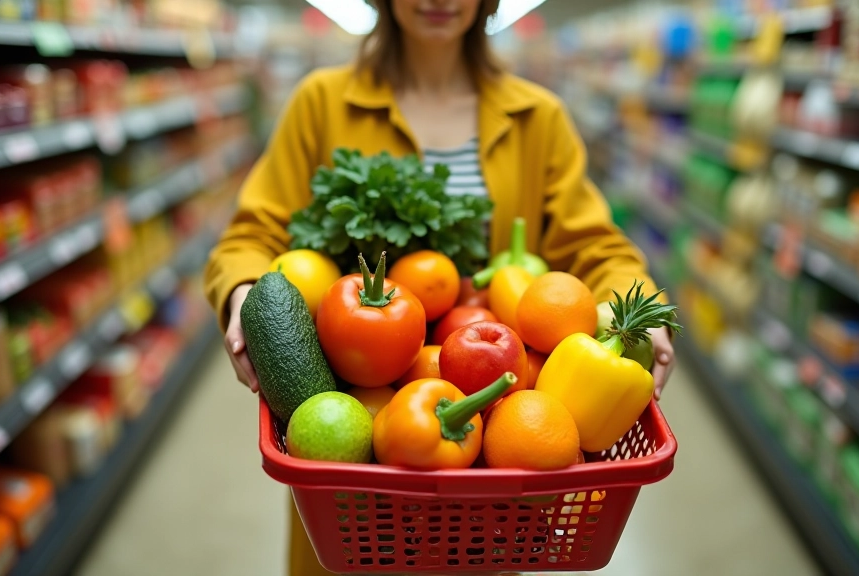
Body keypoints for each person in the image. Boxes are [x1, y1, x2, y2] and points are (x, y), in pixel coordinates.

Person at [203, 1, 676, 573]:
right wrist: (245, 296)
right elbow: (252, 233)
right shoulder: (321, 102)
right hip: (349, 449)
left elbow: (599, 246)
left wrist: (636, 310)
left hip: (487, 446)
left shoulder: (537, 117)